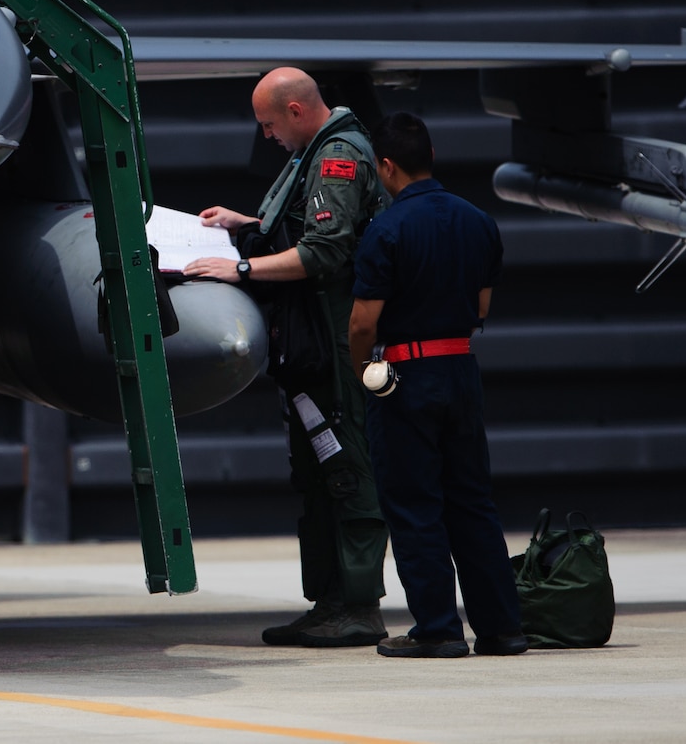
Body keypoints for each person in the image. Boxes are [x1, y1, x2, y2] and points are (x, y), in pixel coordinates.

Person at [185, 67, 390, 647]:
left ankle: (359, 605)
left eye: (270, 124)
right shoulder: (312, 155)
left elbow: (325, 250)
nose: (268, 135)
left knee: (347, 467)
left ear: (296, 111)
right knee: (318, 470)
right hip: (307, 345)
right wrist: (243, 225)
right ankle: (329, 602)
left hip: (334, 341)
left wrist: (241, 267)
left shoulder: (337, 158)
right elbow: (306, 230)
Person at [349, 111, 527, 658]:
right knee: (472, 501)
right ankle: (501, 628)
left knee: (413, 503)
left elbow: (362, 322)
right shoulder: (478, 220)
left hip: (405, 376)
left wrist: (363, 374)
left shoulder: (387, 228)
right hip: (460, 368)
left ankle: (438, 629)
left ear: (385, 166)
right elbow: (481, 306)